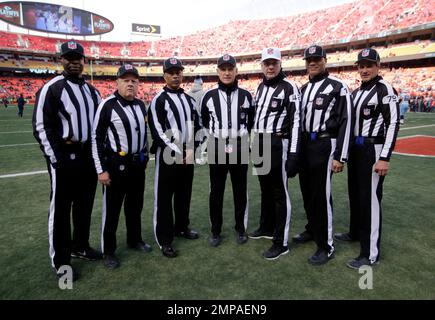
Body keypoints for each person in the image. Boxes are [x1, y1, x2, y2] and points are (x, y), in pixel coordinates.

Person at [32, 40, 102, 281]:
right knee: (61, 210)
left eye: (77, 58)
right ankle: (61, 261)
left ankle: (80, 246)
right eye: (68, 57)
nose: (73, 62)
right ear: (61, 60)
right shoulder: (52, 88)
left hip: (87, 155)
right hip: (65, 154)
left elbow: (97, 127)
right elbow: (42, 126)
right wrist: (56, 159)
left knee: (84, 205)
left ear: (83, 61)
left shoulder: (92, 91)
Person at [334, 48, 399, 269]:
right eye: (361, 66)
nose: (364, 70)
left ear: (378, 66)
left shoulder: (385, 90)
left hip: (373, 149)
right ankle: (355, 232)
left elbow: (393, 124)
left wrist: (384, 157)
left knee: (370, 200)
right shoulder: (356, 92)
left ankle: (370, 254)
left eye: (369, 65)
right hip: (356, 149)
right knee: (355, 194)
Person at [293, 44, 353, 265]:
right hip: (305, 145)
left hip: (325, 144)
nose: (312, 63)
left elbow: (347, 121)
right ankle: (311, 229)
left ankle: (326, 246)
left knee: (321, 196)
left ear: (325, 60)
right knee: (307, 192)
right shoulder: (302, 89)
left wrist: (340, 156)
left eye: (317, 59)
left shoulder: (338, 87)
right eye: (309, 60)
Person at [92, 64, 152, 269]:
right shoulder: (107, 105)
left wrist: (145, 156)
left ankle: (134, 239)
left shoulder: (140, 104)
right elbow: (96, 138)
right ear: (117, 82)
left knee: (135, 207)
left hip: (137, 165)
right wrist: (101, 169)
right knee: (112, 211)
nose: (130, 84)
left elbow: (143, 134)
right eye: (125, 80)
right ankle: (108, 251)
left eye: (134, 80)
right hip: (116, 166)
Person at [249, 47, 301, 260]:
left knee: (280, 193)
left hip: (277, 142)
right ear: (262, 65)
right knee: (265, 189)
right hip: (260, 141)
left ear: (280, 64)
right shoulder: (260, 87)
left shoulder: (289, 87)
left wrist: (294, 153)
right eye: (266, 63)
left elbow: (296, 122)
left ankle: (281, 242)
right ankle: (267, 227)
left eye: (274, 63)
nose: (270, 67)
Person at [148, 57, 202, 258]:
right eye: (171, 72)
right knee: (164, 198)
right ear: (165, 75)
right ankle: (164, 239)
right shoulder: (158, 100)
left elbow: (198, 126)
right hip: (169, 157)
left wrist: (193, 149)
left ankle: (182, 227)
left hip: (187, 155)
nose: (175, 75)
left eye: (178, 71)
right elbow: (158, 132)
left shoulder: (189, 100)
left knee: (184, 194)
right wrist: (179, 152)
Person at [200, 54, 255, 247]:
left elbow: (251, 122)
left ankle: (241, 228)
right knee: (216, 191)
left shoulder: (247, 96)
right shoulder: (208, 96)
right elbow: (205, 121)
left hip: (240, 146)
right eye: (223, 69)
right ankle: (215, 230)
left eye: (230, 69)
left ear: (236, 71)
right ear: (217, 72)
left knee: (240, 190)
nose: (226, 72)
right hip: (217, 146)